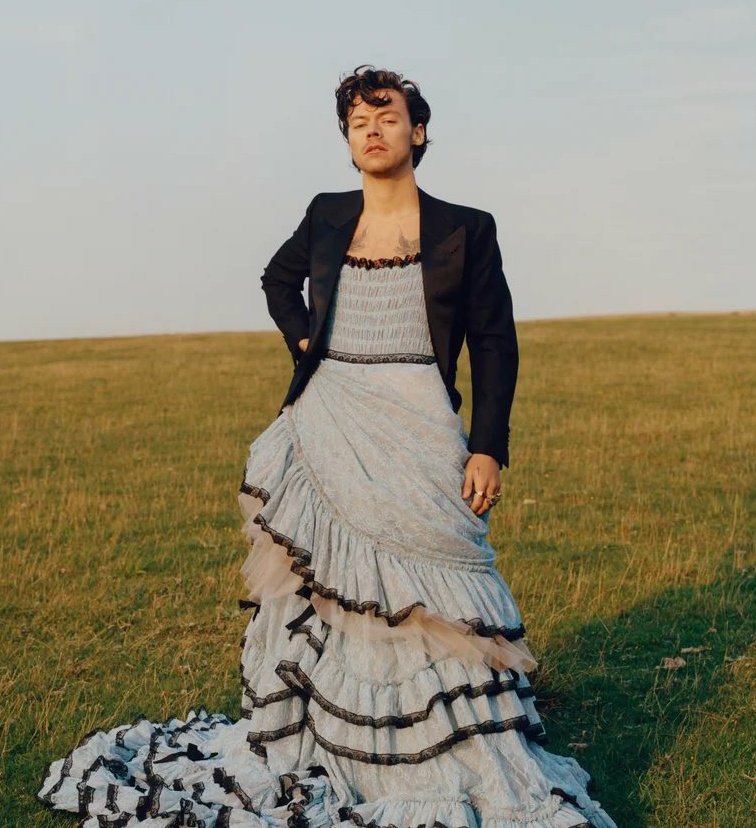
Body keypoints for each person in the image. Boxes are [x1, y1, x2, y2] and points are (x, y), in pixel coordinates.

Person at [38, 64, 618, 828]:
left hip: (419, 423)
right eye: (357, 123)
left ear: (418, 131)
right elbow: (276, 281)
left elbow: (494, 342)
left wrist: (488, 447)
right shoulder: (326, 213)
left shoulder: (466, 228)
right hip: (328, 417)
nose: (372, 131)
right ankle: (334, 747)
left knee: (430, 591)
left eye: (387, 117)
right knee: (327, 594)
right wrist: (305, 338)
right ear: (347, 141)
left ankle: (447, 756)